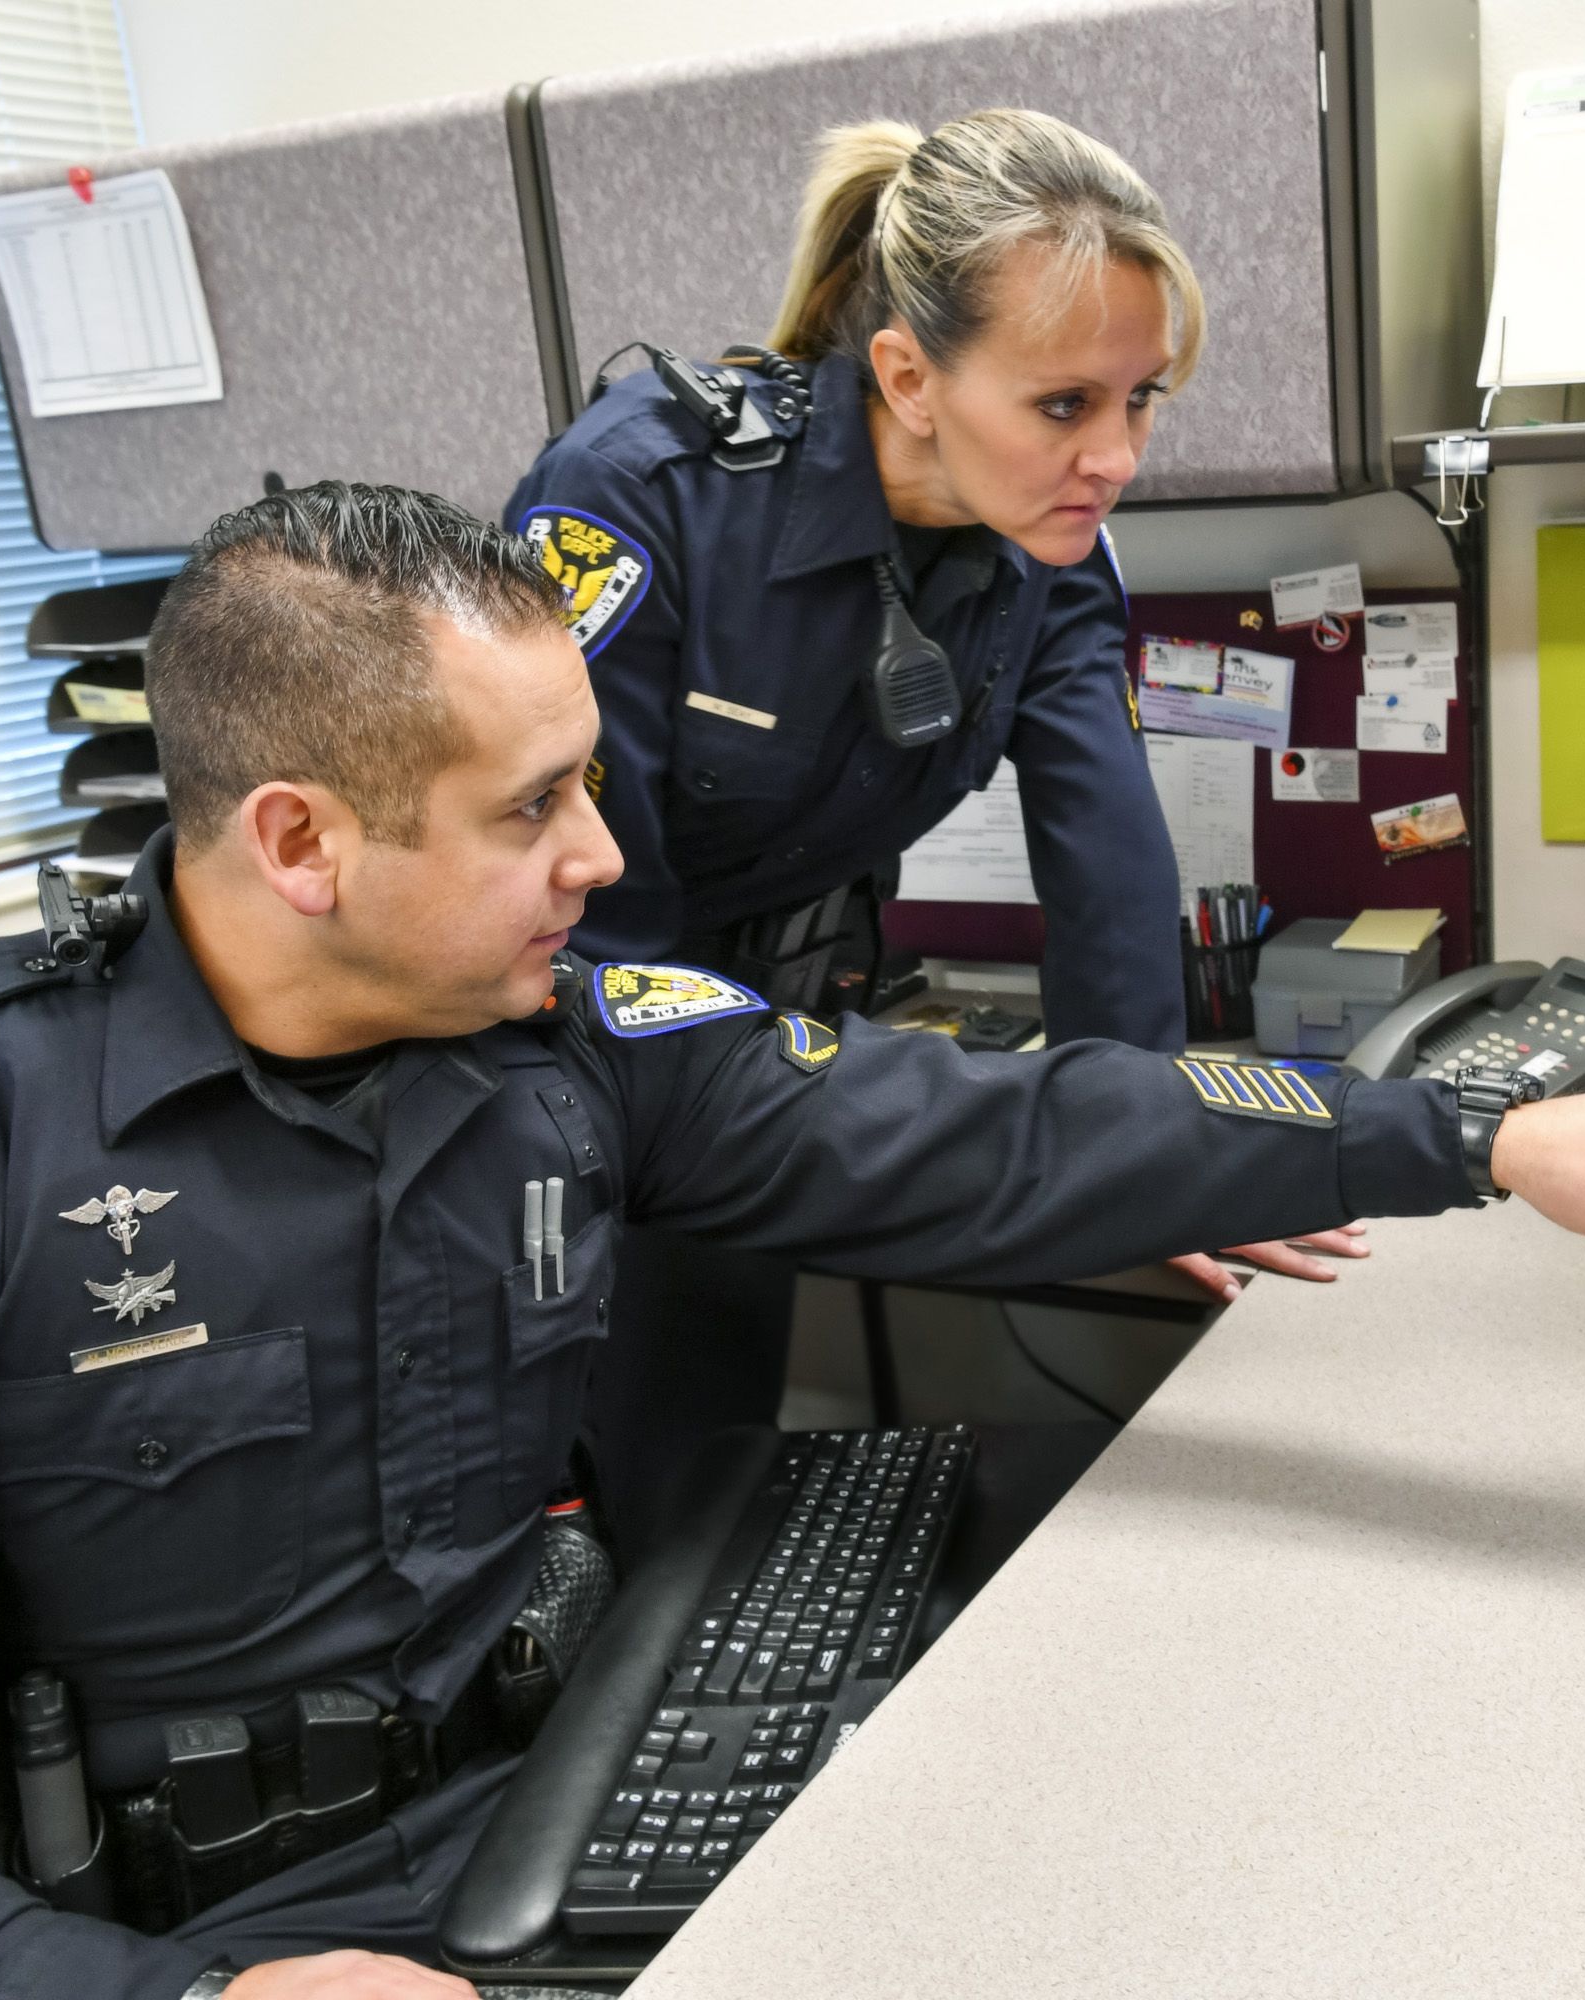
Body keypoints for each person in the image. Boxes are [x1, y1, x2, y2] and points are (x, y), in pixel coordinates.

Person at [0, 485, 1585, 2000]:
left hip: (572, 1768)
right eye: (532, 812)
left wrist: (1478, 1134)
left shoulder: (562, 1040)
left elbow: (1007, 1126)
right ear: (301, 839)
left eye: (594, 780)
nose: (605, 858)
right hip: (236, 1939)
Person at [504, 109, 1347, 1538]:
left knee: (732, 1489)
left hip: (770, 1035)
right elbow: (588, 910)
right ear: (907, 373)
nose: (1119, 455)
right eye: (1067, 405)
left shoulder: (1044, 551)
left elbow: (1106, 856)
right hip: (584, 1070)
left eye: (1142, 400)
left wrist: (1144, 1150)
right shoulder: (638, 498)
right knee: (645, 1497)